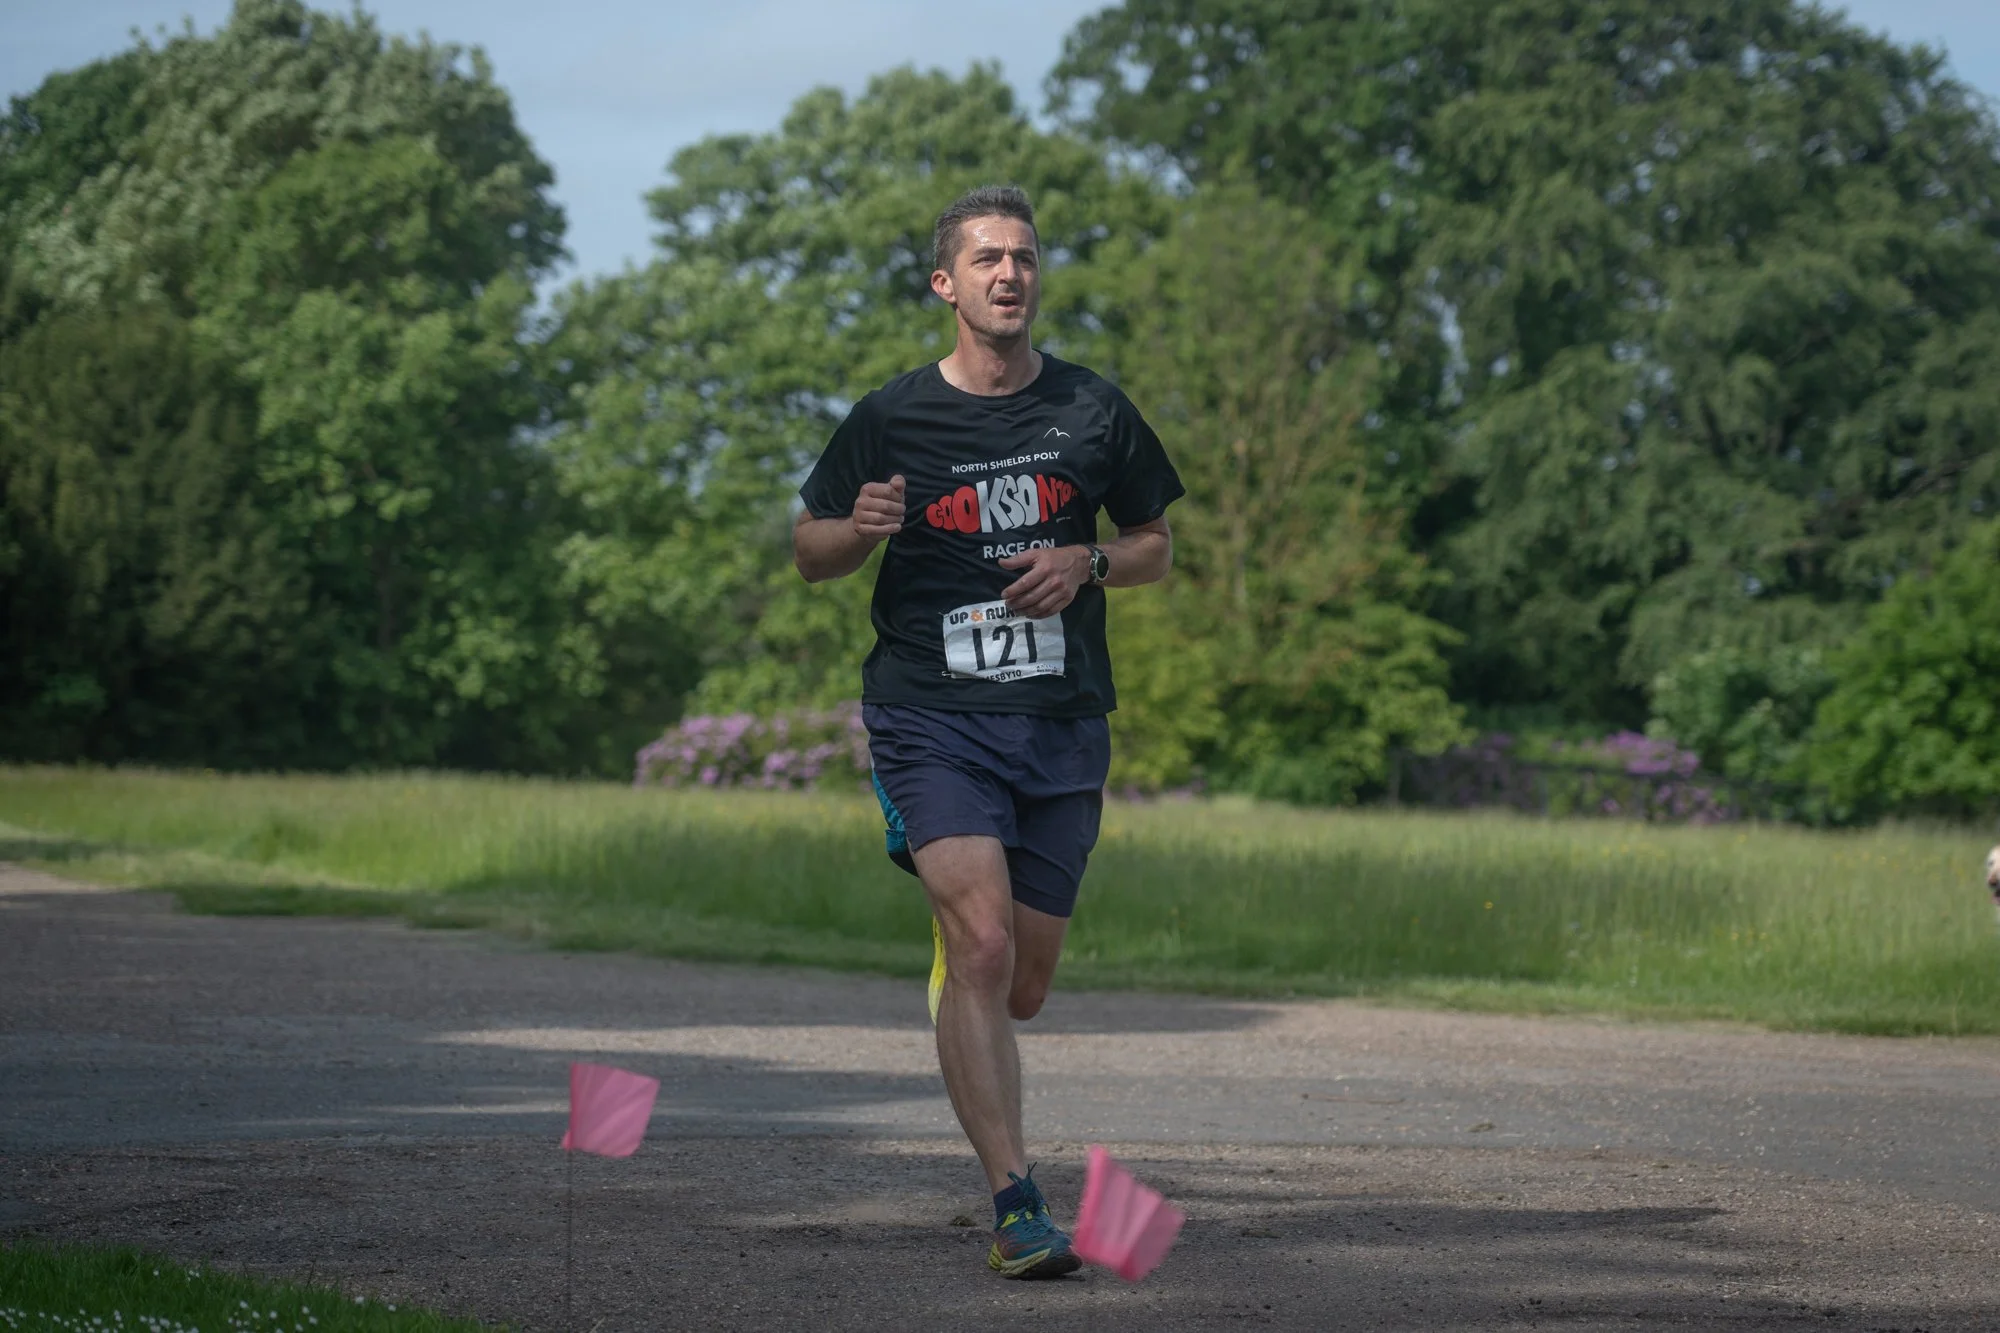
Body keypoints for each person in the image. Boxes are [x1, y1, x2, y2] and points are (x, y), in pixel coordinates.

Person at [793, 184, 1183, 1279]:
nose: (1007, 274)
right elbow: (807, 547)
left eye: (1022, 256)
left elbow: (1153, 543)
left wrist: (1087, 559)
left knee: (1022, 984)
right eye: (984, 259)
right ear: (944, 283)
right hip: (930, 715)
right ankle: (1014, 1201)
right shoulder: (891, 416)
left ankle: (963, 969)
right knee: (981, 944)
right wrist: (856, 530)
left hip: (1058, 722)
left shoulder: (1092, 409)